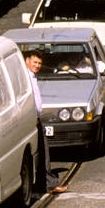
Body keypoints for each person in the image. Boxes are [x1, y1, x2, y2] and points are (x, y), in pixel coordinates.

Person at [23, 49, 68, 194]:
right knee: (42, 152)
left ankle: (47, 184)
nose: (37, 66)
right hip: (29, 120)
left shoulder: (33, 76)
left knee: (43, 152)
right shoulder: (25, 77)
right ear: (27, 61)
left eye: (40, 63)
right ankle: (48, 184)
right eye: (35, 62)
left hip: (35, 119)